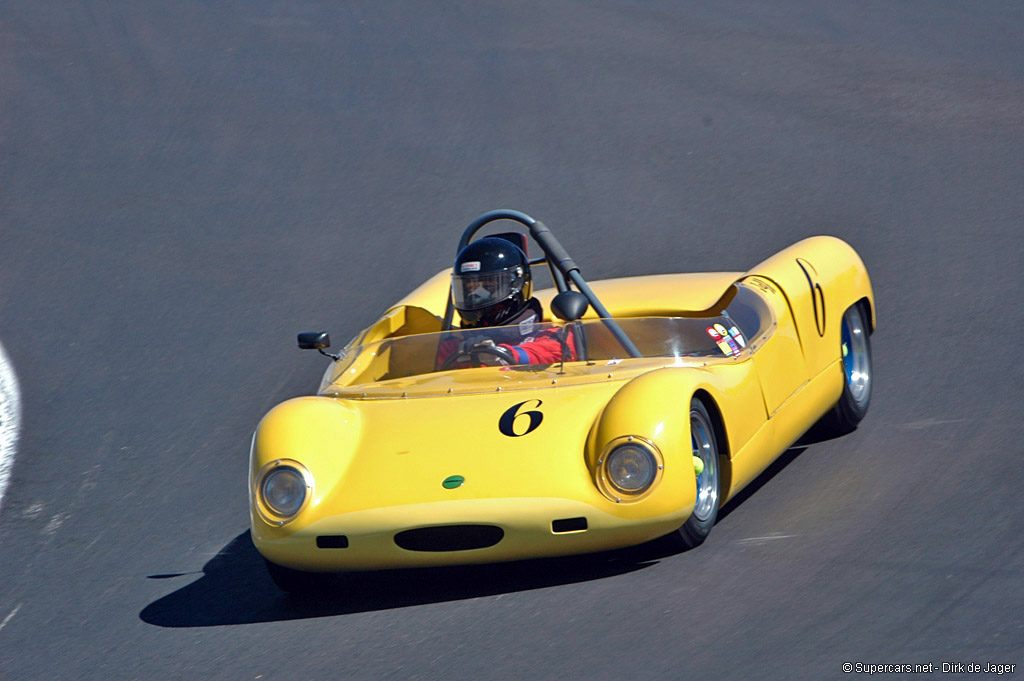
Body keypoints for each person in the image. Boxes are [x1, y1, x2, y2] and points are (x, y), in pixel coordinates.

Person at [438, 236, 576, 368]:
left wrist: (507, 354)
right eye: (470, 289)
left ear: (516, 284)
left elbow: (556, 351)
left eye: (489, 286)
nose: (477, 296)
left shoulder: (553, 338)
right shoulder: (454, 347)